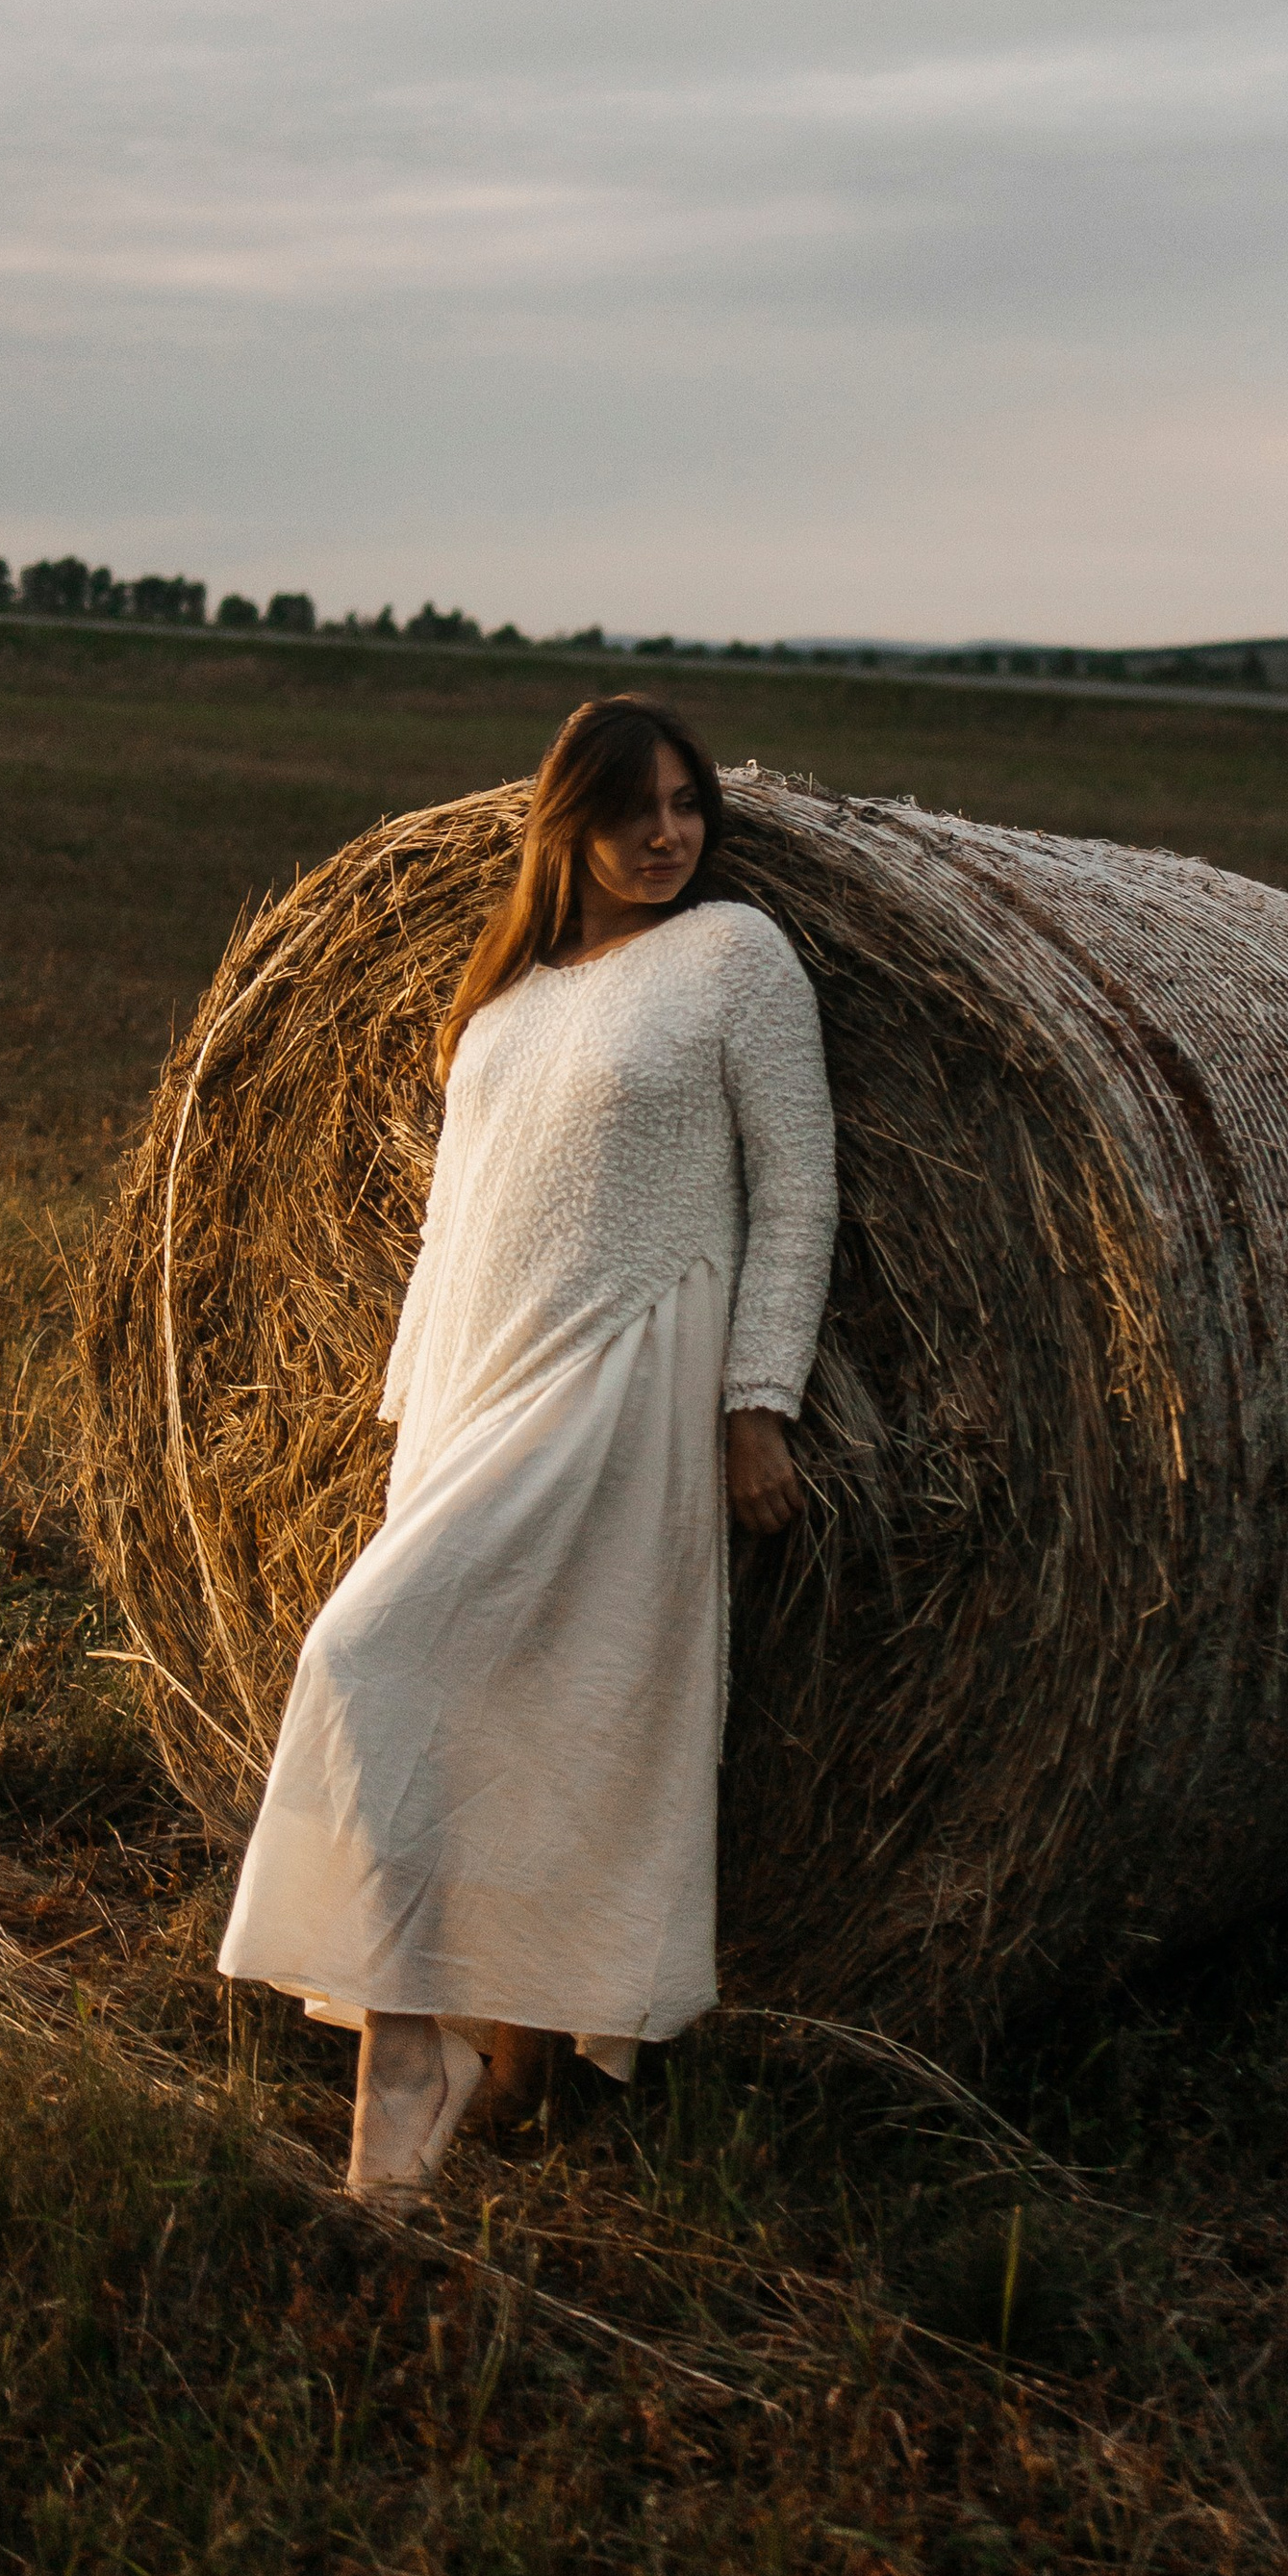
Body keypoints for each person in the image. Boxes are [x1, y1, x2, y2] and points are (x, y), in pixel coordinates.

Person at [217, 695, 838, 2191]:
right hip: (473, 1393)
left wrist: (760, 1402)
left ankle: (431, 2039)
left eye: (687, 805)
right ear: (567, 824)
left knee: (402, 1670)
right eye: (634, 810)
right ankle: (490, 2055)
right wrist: (406, 1420)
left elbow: (800, 1192)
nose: (666, 836)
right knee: (474, 1706)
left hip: (625, 1376)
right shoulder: (506, 997)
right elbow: (452, 1229)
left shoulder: (738, 960)